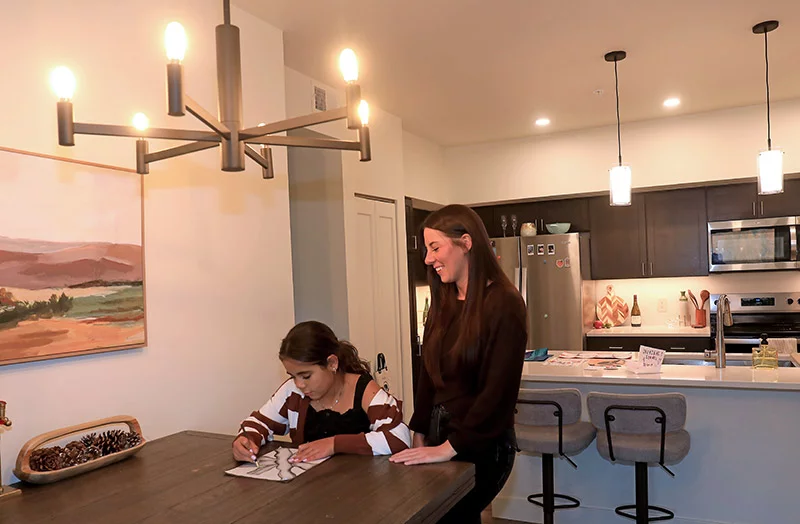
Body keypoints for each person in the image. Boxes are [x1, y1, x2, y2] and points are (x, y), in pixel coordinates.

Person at [390, 204, 527, 523]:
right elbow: (428, 374)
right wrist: (420, 429)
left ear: (466, 243)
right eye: (426, 250)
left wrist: (450, 447)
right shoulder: (444, 301)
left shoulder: (504, 303)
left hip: (482, 445)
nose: (428, 259)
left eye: (435, 248)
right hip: (439, 437)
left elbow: (497, 393)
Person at [233, 321, 411, 464]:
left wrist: (334, 444)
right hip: (312, 487)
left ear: (332, 363)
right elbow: (259, 423)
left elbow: (399, 438)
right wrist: (246, 440)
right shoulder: (293, 391)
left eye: (306, 376)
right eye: (293, 376)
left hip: (363, 488)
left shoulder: (364, 391)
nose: (299, 384)